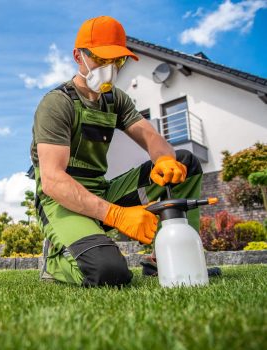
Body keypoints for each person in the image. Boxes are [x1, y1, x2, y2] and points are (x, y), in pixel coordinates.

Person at [29, 16, 204, 287]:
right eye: (101, 59)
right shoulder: (56, 104)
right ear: (79, 56)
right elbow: (52, 181)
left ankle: (166, 260)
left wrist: (165, 159)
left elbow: (151, 137)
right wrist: (117, 215)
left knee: (185, 163)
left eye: (117, 61)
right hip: (60, 202)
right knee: (108, 273)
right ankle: (55, 260)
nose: (110, 69)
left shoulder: (116, 100)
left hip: (102, 192)